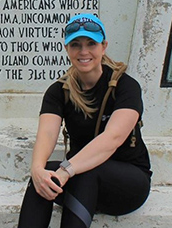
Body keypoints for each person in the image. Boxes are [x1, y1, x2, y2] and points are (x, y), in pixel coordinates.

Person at [17, 13, 152, 228]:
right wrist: (37, 169)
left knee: (85, 169)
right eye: (76, 45)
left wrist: (67, 170)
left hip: (127, 184)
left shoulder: (125, 86)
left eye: (91, 43)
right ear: (67, 49)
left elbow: (113, 138)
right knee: (45, 175)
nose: (83, 51)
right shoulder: (58, 91)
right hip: (80, 181)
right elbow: (47, 133)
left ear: (103, 46)